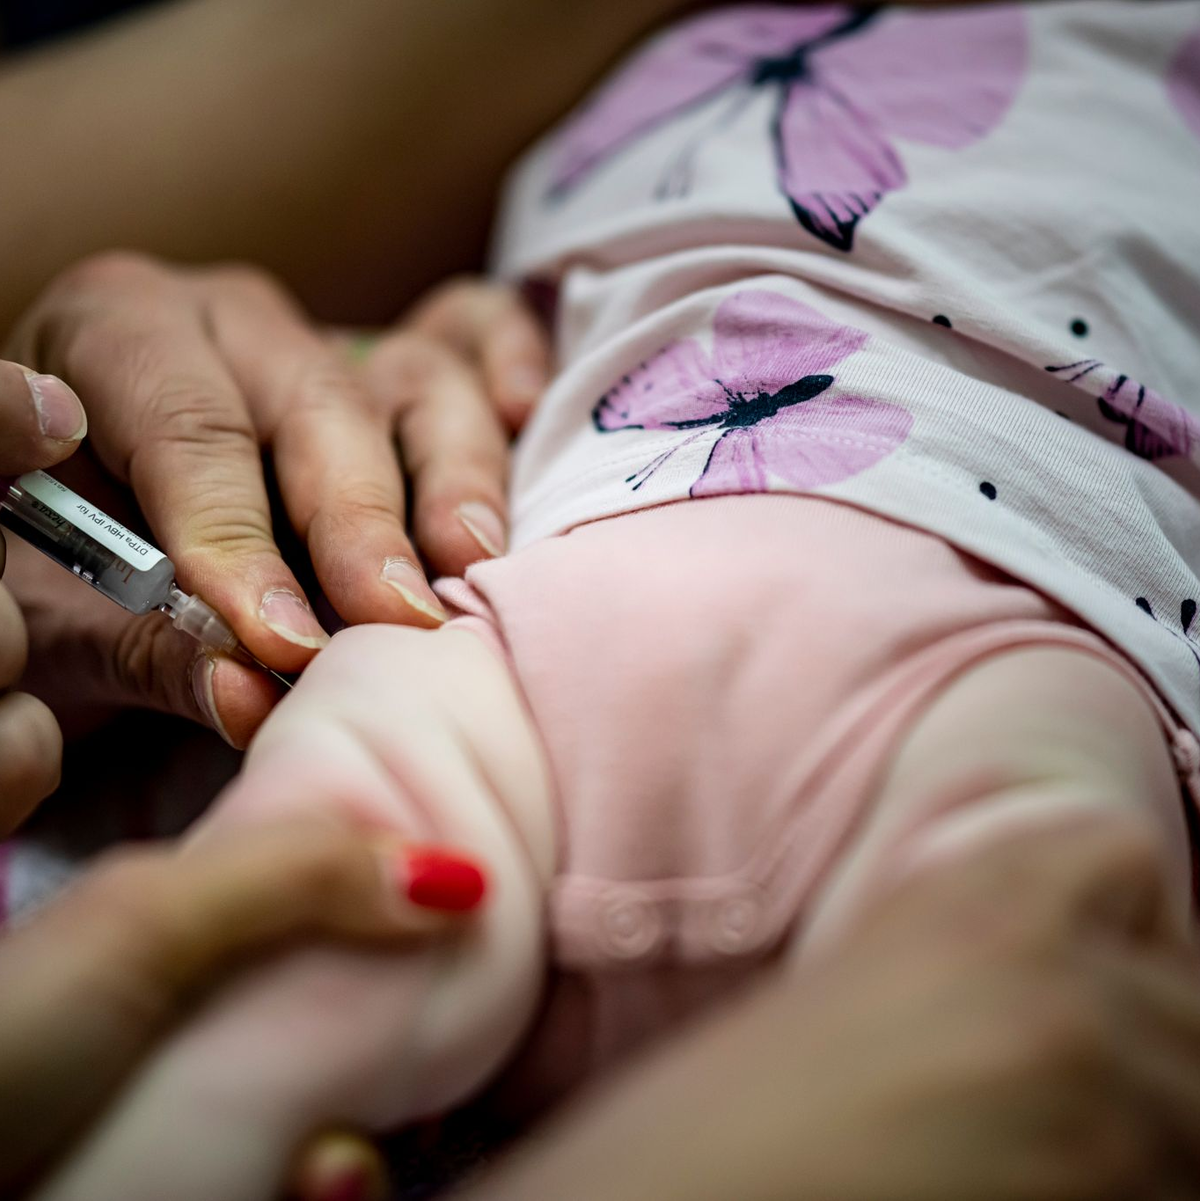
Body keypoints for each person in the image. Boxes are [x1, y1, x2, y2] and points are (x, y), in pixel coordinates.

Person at [15, 1, 1200, 1198]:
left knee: (274, 966)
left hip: (535, 637)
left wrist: (410, 353)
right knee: (1045, 947)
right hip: (953, 629)